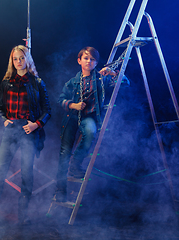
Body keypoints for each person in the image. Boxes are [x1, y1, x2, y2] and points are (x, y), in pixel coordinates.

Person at [0, 45, 51, 225]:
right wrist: (4, 120)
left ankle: (23, 215)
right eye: (15, 59)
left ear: (27, 59)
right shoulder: (6, 83)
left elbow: (47, 110)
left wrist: (36, 124)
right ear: (11, 61)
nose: (19, 62)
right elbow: (0, 108)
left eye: (22, 58)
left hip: (29, 130)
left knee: (27, 173)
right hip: (11, 130)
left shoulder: (37, 82)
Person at [54, 46, 129, 202]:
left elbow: (125, 83)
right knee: (64, 153)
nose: (89, 61)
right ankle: (60, 192)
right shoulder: (72, 82)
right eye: (86, 58)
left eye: (92, 59)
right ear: (79, 61)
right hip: (72, 117)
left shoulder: (101, 78)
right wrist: (72, 105)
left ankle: (76, 164)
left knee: (90, 131)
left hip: (89, 117)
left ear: (96, 63)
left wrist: (113, 73)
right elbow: (60, 100)